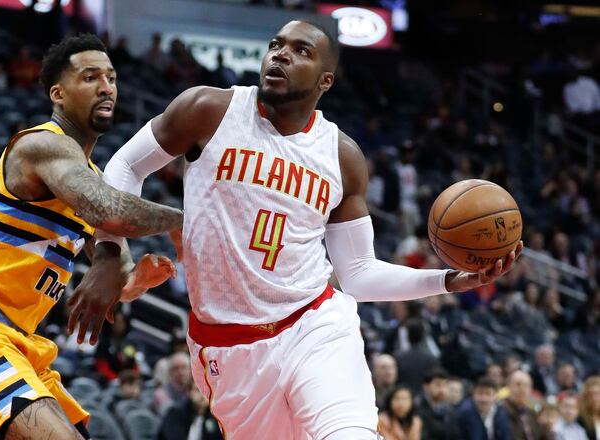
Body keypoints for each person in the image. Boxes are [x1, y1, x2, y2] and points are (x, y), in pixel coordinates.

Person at [96, 19, 523, 439]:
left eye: (302, 50)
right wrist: (109, 254)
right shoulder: (209, 109)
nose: (281, 53)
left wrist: (449, 280)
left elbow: (357, 273)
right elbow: (125, 165)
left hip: (314, 325)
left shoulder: (342, 156)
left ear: (325, 80)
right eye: (276, 44)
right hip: (228, 348)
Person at [0, 34, 183, 440]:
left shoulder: (85, 175)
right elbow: (109, 211)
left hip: (20, 342)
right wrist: (183, 219)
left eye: (111, 77)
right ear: (58, 93)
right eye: (90, 77)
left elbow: (113, 257)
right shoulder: (42, 146)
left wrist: (130, 280)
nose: (106, 86)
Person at [158, 383, 224, 440]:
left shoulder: (216, 417)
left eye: (207, 391)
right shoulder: (175, 413)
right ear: (189, 392)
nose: (202, 395)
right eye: (198, 390)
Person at [502, 370, 548, 440]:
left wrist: (547, 428)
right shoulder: (500, 411)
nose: (522, 389)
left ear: (531, 390)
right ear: (508, 386)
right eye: (518, 384)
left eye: (526, 385)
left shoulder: (531, 413)